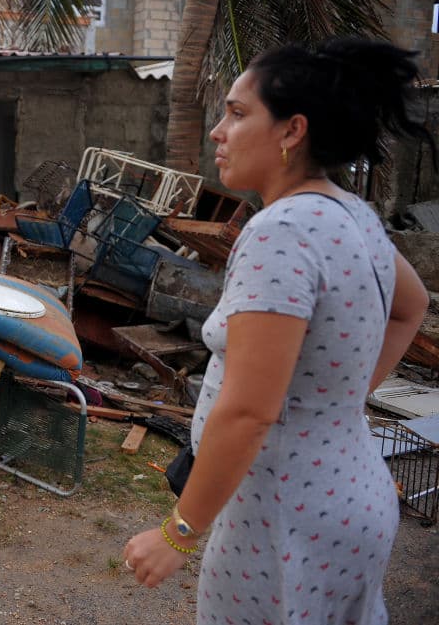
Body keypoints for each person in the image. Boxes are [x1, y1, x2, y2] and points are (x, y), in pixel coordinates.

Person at [123, 37, 435, 624]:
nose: (218, 131)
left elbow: (249, 411)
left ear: (292, 131)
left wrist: (180, 531)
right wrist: (331, 402)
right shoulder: (352, 214)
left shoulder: (282, 230)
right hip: (346, 493)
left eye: (238, 113)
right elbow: (409, 308)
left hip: (284, 517)